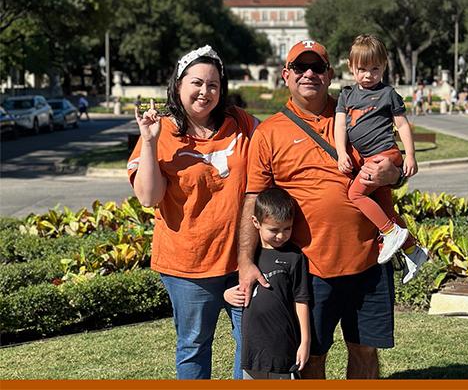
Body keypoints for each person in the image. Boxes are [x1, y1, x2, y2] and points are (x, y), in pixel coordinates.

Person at [238, 39, 425, 380]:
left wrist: (394, 174)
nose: (309, 73)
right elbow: (254, 199)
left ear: (331, 74)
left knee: (365, 349)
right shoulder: (268, 133)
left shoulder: (359, 110)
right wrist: (245, 262)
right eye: (300, 67)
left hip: (370, 260)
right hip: (312, 268)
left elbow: (392, 163)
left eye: (318, 67)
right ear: (286, 75)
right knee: (312, 356)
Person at [128, 45, 257, 380]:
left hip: (240, 260)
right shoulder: (161, 130)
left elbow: (276, 146)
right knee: (194, 345)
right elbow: (148, 197)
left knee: (253, 343)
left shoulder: (240, 122)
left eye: (213, 85)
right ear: (179, 85)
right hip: (188, 265)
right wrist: (151, 141)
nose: (205, 92)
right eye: (197, 83)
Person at [334, 34, 419, 265]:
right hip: (368, 160)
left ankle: (391, 233)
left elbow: (401, 124)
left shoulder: (387, 94)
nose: (368, 75)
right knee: (387, 210)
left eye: (375, 68)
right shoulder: (347, 95)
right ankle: (414, 251)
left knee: (356, 194)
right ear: (351, 67)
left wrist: (409, 155)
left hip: (383, 156)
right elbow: (340, 124)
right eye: (362, 69)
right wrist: (342, 152)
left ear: (384, 66)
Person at [223, 187, 311, 380]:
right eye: (274, 230)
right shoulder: (248, 257)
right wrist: (226, 295)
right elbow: (232, 286)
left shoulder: (294, 257)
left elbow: (301, 299)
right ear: (256, 222)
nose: (281, 236)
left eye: (287, 229)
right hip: (253, 347)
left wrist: (305, 340)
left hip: (284, 343)